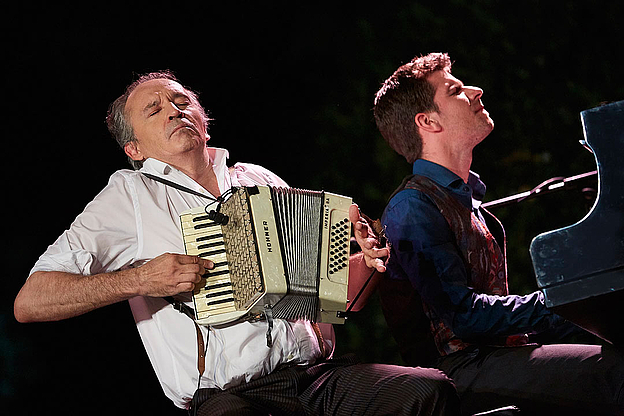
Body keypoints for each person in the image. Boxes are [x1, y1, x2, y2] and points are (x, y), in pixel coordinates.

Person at [14, 71, 461, 415]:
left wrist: (364, 258)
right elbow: (29, 302)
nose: (174, 109)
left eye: (181, 100)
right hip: (228, 398)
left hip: (315, 377)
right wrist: (140, 278)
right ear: (133, 149)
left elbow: (342, 301)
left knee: (429, 391)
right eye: (154, 110)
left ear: (204, 121)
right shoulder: (129, 196)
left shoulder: (258, 179)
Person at [372, 52, 624, 415]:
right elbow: (466, 317)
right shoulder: (411, 207)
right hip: (456, 373)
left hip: (496, 357)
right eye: (455, 90)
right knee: (616, 374)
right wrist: (566, 301)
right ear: (428, 121)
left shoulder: (468, 203)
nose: (476, 91)